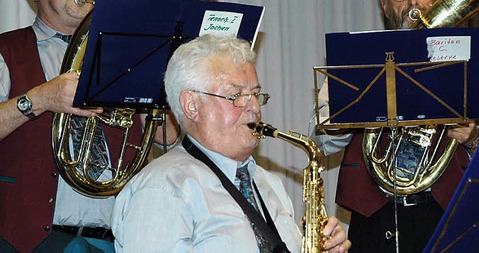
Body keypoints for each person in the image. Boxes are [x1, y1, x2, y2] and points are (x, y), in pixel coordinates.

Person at [310, 0, 479, 252]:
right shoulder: (357, 61)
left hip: (445, 215)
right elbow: (319, 142)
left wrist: (473, 138)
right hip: (373, 218)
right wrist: (352, 115)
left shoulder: (467, 64)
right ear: (385, 5)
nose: (413, 1)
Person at [0, 0, 176, 252]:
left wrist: (164, 93)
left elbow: (164, 140)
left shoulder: (124, 54)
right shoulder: (6, 50)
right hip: (32, 241)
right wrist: (41, 98)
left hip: (119, 237)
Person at [111, 34, 351, 252]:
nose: (254, 108)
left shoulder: (269, 184)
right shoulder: (162, 189)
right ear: (191, 105)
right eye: (236, 96)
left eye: (255, 94)